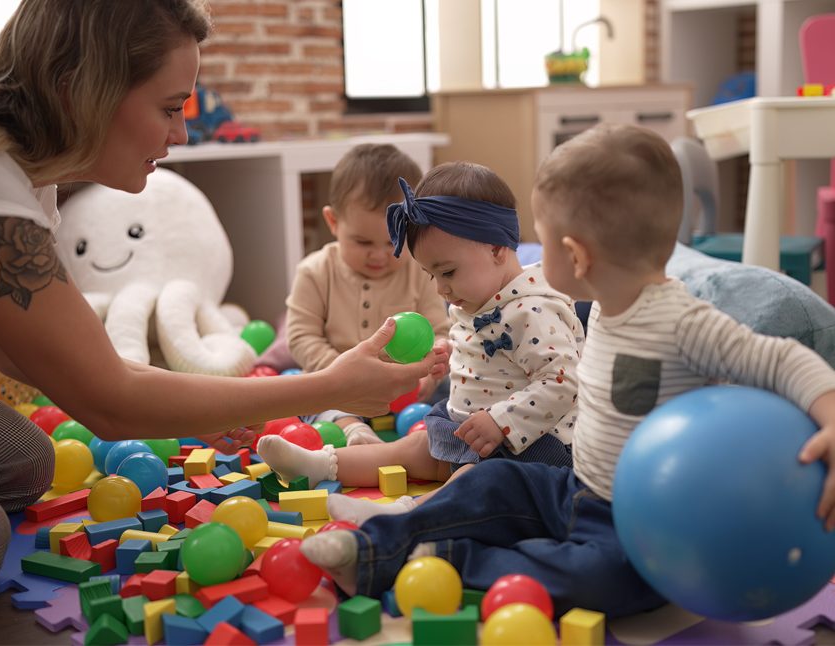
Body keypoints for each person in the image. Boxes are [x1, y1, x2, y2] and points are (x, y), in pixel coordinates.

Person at [0, 0, 443, 620]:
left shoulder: (29, 168)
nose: (181, 133)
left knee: (22, 462)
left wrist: (200, 404)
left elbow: (27, 350)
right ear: (81, 91)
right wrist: (325, 387)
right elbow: (108, 400)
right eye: (168, 108)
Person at [298, 124, 835, 618]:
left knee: (607, 582)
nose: (529, 257)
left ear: (575, 256)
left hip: (642, 527)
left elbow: (779, 357)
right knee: (491, 482)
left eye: (543, 241)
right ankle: (373, 546)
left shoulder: (682, 320)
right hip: (573, 485)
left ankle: (451, 558)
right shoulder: (603, 302)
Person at [260, 161, 584, 525]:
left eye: (447, 272)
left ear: (496, 249)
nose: (439, 289)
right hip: (470, 430)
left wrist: (501, 421)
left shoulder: (533, 310)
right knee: (413, 447)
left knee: (479, 480)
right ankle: (321, 464)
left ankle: (403, 515)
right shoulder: (478, 294)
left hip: (530, 446)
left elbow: (563, 382)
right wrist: (447, 355)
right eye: (431, 275)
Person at [285, 143, 451, 446]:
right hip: (339, 386)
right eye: (362, 242)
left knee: (456, 389)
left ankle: (435, 435)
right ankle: (355, 432)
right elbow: (301, 337)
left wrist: (431, 368)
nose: (379, 255)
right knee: (311, 399)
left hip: (406, 388)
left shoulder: (420, 271)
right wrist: (340, 375)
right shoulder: (315, 272)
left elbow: (441, 331)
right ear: (333, 222)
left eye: (392, 242)